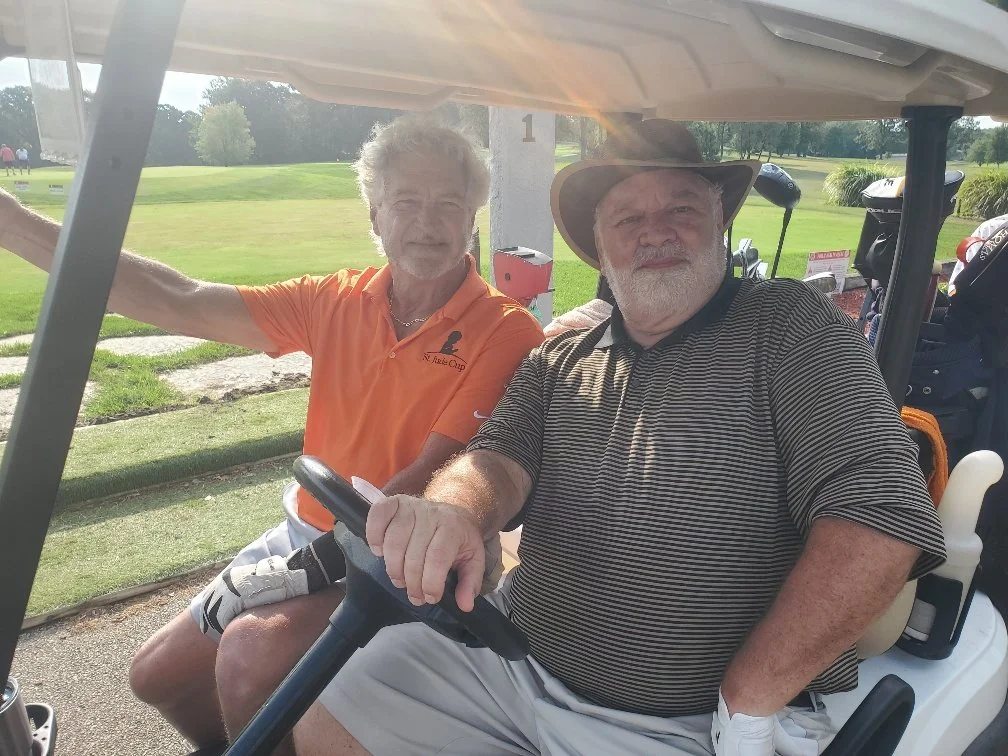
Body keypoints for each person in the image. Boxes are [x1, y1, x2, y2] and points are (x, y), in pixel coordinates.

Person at [291, 120, 947, 756]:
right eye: (627, 218)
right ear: (599, 247)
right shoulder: (562, 359)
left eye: (681, 208)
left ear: (720, 219)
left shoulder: (785, 328)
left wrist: (752, 693)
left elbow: (882, 519)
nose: (655, 231)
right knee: (330, 707)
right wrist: (452, 510)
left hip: (686, 719)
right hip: (515, 666)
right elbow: (493, 461)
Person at [0, 115, 544, 752]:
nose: (429, 222)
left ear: (471, 220)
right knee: (158, 677)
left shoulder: (505, 330)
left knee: (248, 657)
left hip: (396, 554)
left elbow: (431, 475)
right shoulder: (334, 300)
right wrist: (11, 220)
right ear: (375, 217)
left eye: (450, 204)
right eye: (406, 202)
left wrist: (316, 565)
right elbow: (175, 297)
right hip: (311, 530)